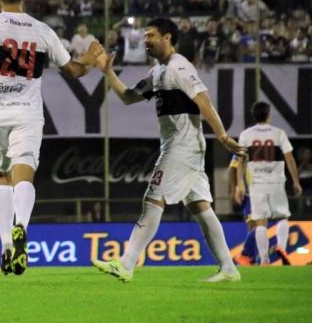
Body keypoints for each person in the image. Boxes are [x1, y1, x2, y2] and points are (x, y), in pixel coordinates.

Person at [0, 0, 103, 276]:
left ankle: (5, 247)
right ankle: (21, 226)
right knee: (24, 171)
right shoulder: (42, 31)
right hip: (28, 110)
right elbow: (74, 71)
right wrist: (91, 60)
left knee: (2, 175)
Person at [91, 17, 245, 283]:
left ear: (167, 38)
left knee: (152, 198)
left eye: (150, 35)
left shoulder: (179, 67)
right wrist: (108, 72)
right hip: (184, 146)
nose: (145, 40)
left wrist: (222, 134)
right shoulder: (158, 72)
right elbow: (128, 97)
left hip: (181, 147)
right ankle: (229, 268)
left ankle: (126, 264)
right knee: (201, 208)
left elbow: (204, 100)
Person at [235, 101, 303, 265]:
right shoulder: (278, 133)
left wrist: (240, 184)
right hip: (276, 182)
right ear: (268, 115)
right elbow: (289, 158)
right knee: (282, 217)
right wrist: (296, 181)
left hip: (257, 183)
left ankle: (264, 260)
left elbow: (240, 161)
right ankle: (281, 246)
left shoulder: (246, 134)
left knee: (260, 221)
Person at [228, 155, 258, 265]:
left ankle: (251, 259)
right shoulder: (244, 147)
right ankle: (246, 255)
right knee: (256, 226)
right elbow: (232, 168)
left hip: (262, 192)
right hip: (249, 194)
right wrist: (233, 189)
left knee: (256, 227)